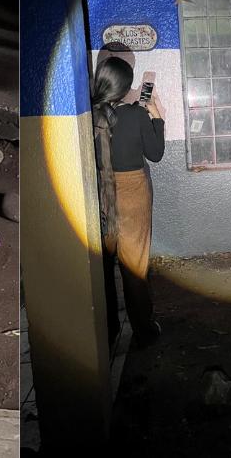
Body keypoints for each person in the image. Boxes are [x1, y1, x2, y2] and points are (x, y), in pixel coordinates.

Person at [91, 56, 165, 348]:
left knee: (103, 264)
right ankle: (144, 330)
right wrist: (155, 114)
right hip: (133, 190)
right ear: (125, 85)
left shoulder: (90, 116)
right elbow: (156, 153)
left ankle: (108, 331)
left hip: (99, 191)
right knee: (133, 265)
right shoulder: (135, 115)